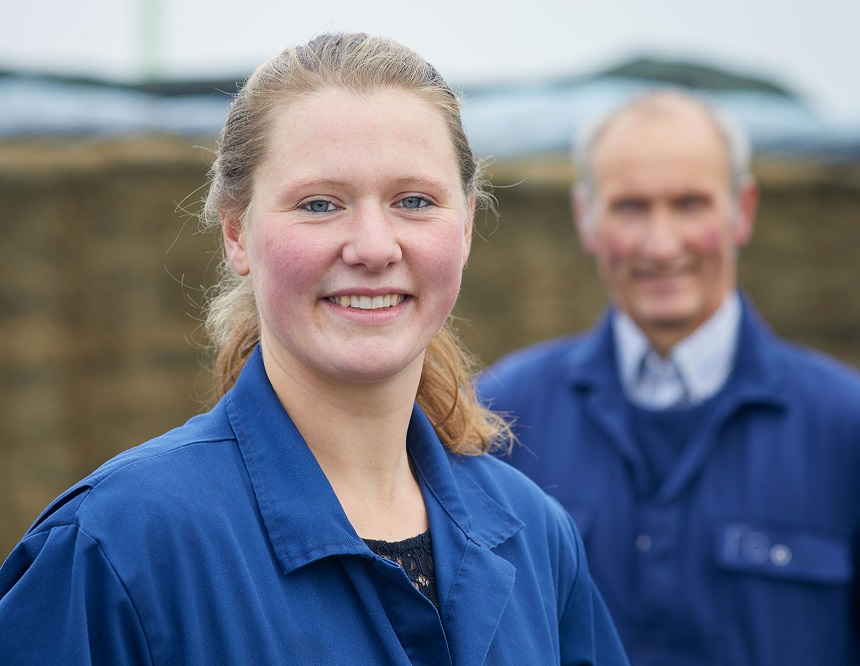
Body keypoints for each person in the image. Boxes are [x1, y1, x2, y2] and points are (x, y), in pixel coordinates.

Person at [0, 32, 629, 665]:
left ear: (465, 226)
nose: (374, 246)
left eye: (414, 201)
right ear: (236, 234)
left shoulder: (536, 540)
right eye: (320, 204)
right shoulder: (115, 548)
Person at [477, 90, 860, 665]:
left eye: (690, 204)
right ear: (586, 218)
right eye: (631, 207)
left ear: (742, 209)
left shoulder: (856, 432)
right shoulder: (504, 417)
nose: (661, 243)